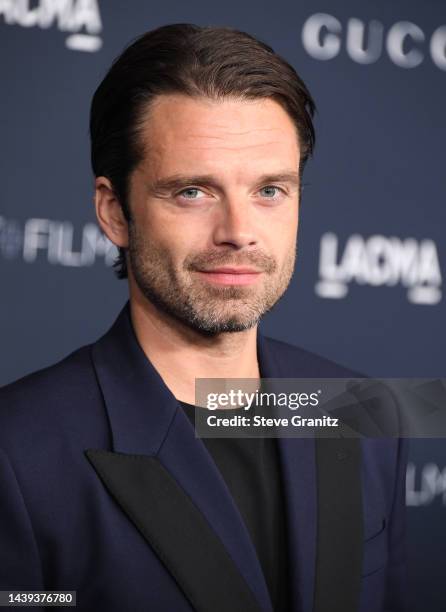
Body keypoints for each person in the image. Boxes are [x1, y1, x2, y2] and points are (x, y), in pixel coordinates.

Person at [0, 24, 408, 612]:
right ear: (115, 212)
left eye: (270, 190)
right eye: (193, 192)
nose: (239, 232)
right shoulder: (17, 454)